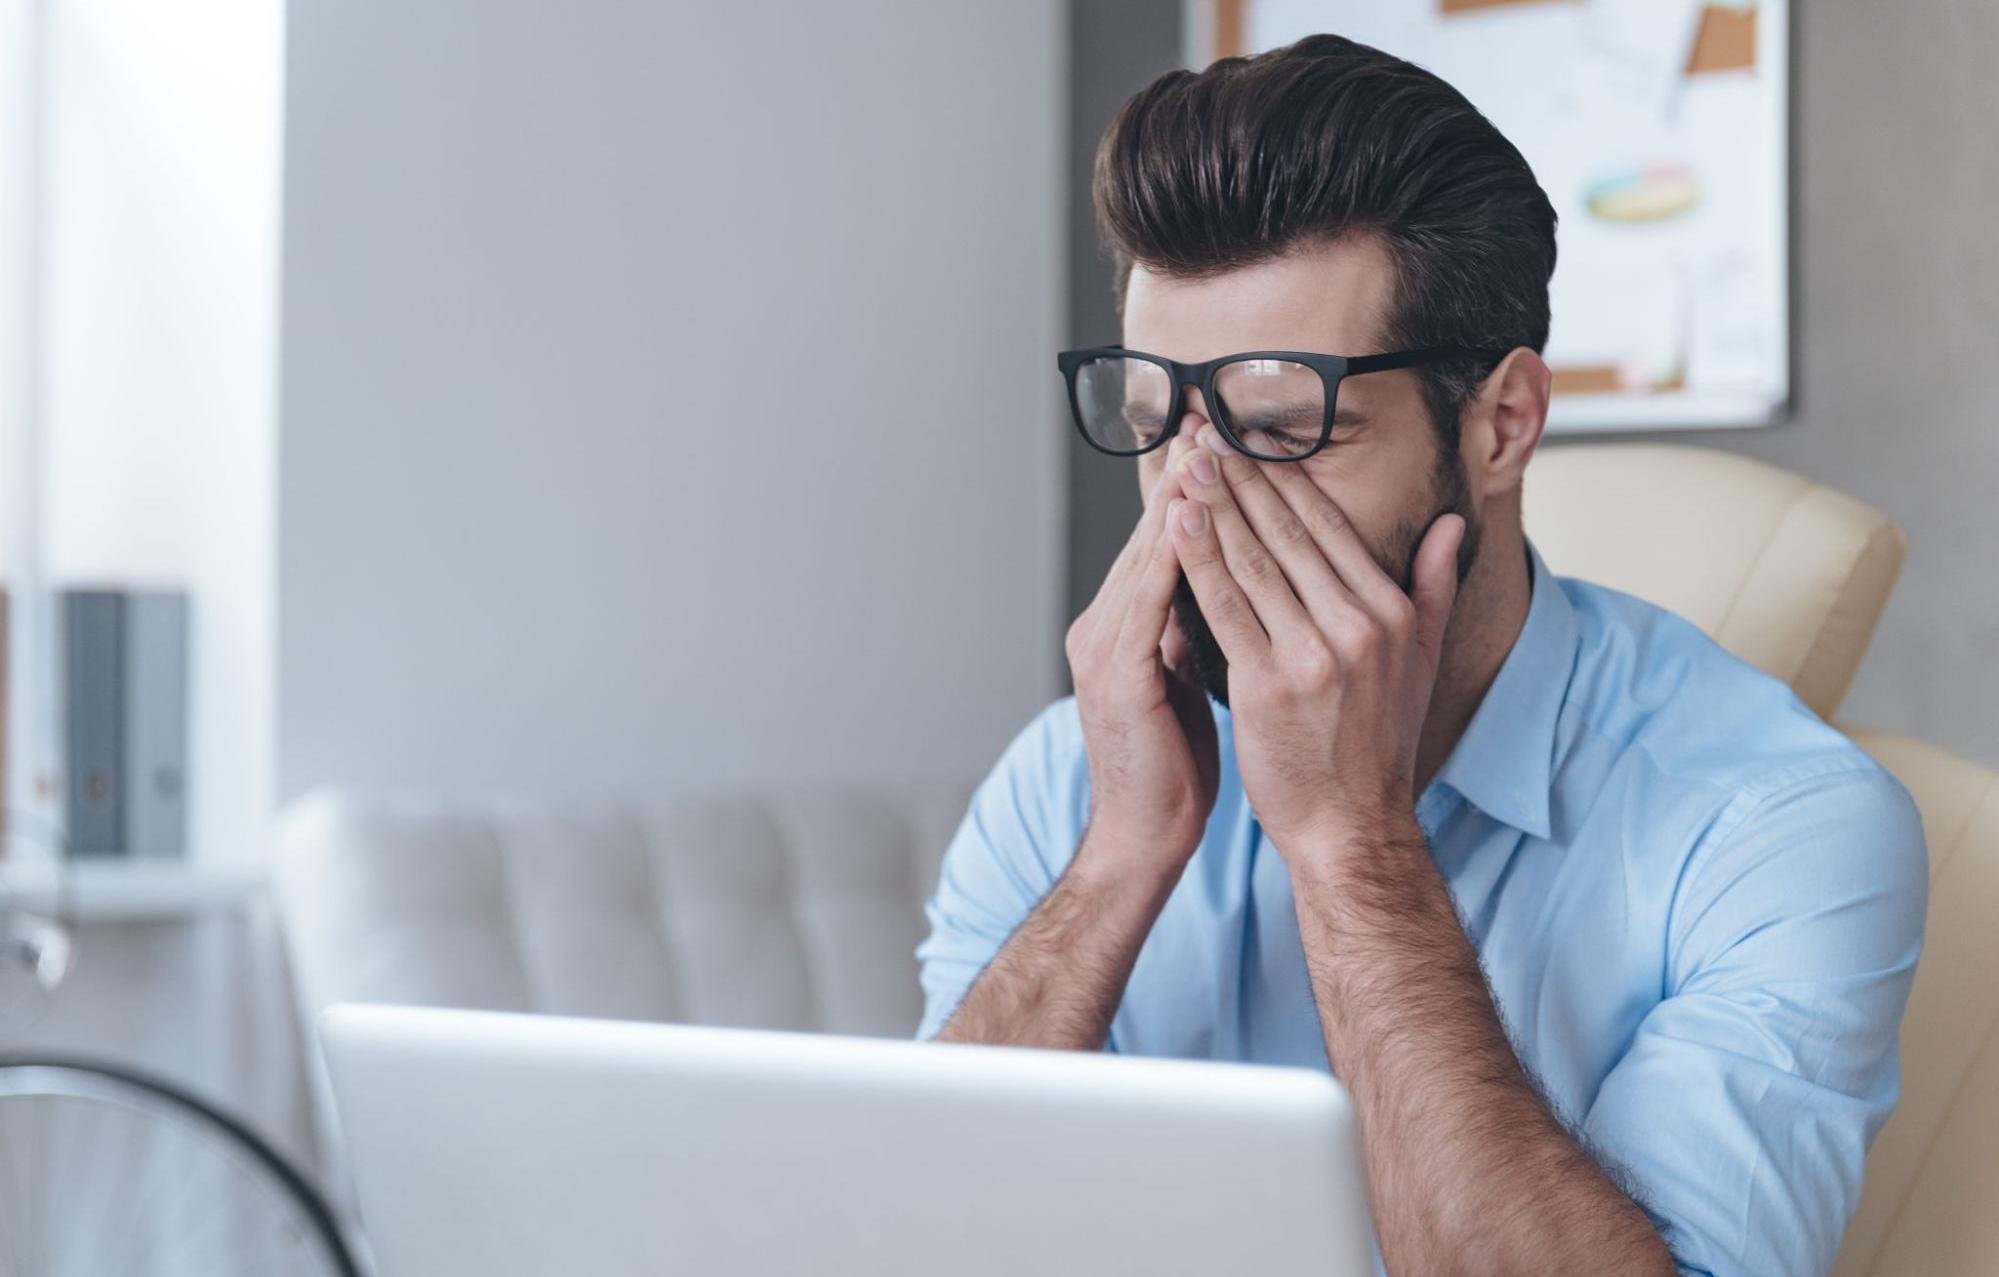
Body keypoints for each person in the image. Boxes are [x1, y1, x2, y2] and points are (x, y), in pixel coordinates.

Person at [915, 33, 1926, 1277]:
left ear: (1500, 423)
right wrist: (1120, 857)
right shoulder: (1073, 778)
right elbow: (907, 1229)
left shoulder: (1780, 826)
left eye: (1280, 432)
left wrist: (1355, 849)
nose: (1193, 507)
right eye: (1153, 428)